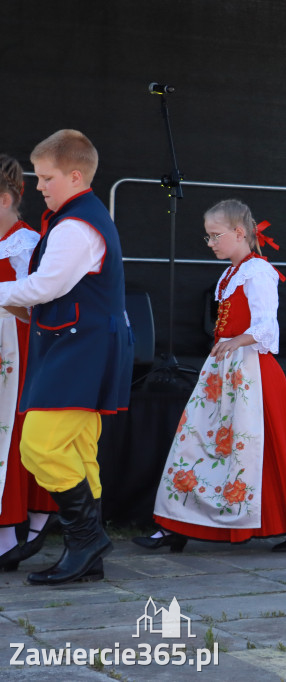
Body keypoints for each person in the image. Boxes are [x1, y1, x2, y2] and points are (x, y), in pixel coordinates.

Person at [134, 199, 286, 553]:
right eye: (208, 237)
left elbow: (267, 327)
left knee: (261, 449)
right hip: (223, 370)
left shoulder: (259, 272)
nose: (210, 243)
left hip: (252, 371)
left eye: (215, 236)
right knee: (196, 442)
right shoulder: (230, 274)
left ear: (239, 233)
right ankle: (176, 523)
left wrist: (236, 340)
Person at [0, 130, 133, 585]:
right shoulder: (76, 217)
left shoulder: (77, 225)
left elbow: (44, 287)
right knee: (77, 448)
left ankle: (86, 540)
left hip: (83, 346)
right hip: (81, 343)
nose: (39, 186)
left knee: (39, 444)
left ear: (75, 176)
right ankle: (87, 548)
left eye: (47, 177)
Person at [0, 155, 58, 572]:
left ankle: (9, 532)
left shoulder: (27, 244)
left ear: (4, 200)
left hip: (14, 348)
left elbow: (39, 304)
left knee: (12, 435)